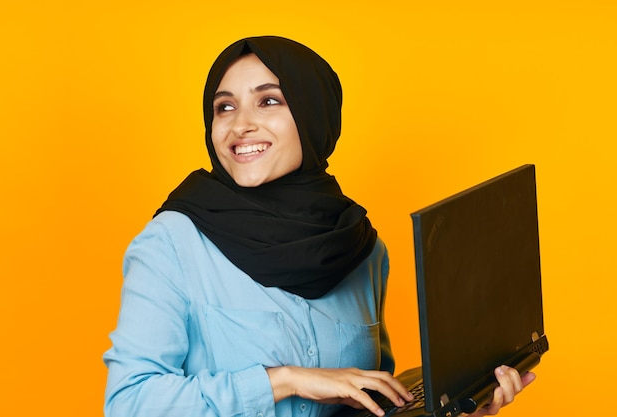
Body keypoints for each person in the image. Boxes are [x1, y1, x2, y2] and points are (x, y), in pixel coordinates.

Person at [103, 36, 535, 417]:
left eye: (269, 100)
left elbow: (363, 401)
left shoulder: (362, 249)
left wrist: (454, 410)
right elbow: (128, 403)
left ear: (314, 115)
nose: (240, 125)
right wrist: (287, 380)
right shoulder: (173, 243)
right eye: (225, 107)